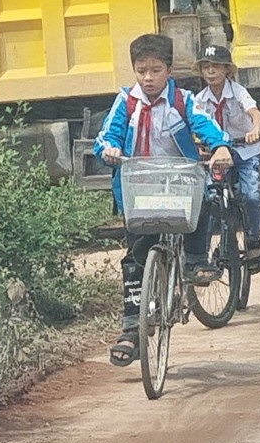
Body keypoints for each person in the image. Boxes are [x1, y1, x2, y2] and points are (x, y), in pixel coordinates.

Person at [94, 33, 230, 367]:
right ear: (134, 71)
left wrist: (220, 147)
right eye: (142, 71)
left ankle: (197, 260)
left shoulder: (183, 100)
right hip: (138, 187)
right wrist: (109, 150)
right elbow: (106, 137)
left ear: (169, 69)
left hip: (178, 183)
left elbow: (206, 127)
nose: (148, 78)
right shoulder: (126, 101)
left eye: (156, 70)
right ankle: (131, 328)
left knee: (206, 203)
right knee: (136, 256)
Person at [195, 43, 260, 272]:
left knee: (252, 195)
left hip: (243, 151)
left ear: (227, 70)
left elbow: (254, 112)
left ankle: (254, 240)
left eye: (216, 66)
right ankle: (200, 252)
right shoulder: (199, 99)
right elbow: (194, 126)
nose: (211, 71)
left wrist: (255, 129)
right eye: (205, 67)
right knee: (208, 198)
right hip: (216, 153)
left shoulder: (238, 92)